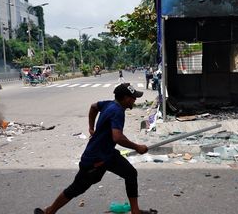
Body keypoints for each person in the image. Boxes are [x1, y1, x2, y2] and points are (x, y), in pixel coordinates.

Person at [34, 83, 151, 214]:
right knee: (77, 188)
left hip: (107, 154)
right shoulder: (117, 111)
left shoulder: (109, 104)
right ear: (125, 98)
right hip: (96, 158)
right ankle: (49, 211)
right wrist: (138, 147)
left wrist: (91, 128)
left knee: (130, 173)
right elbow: (117, 137)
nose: (135, 100)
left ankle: (135, 211)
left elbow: (93, 106)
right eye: (133, 97)